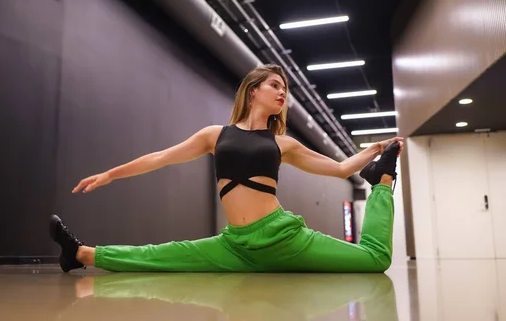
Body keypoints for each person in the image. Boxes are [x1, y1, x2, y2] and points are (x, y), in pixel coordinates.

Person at [50, 64, 403, 273]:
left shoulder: (283, 143)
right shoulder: (214, 135)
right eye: (275, 85)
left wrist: (374, 151)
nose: (283, 94)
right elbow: (161, 157)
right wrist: (111, 173)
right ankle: (79, 254)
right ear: (253, 91)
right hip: (237, 245)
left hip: (283, 238)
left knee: (374, 260)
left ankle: (383, 182)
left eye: (285, 90)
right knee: (162, 255)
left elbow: (341, 169)